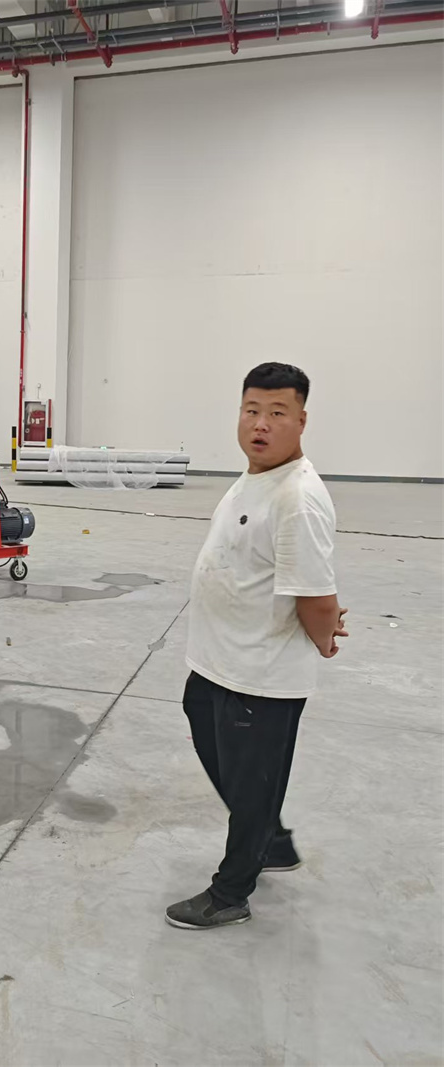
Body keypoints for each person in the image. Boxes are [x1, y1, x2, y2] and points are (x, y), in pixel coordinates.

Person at [166, 362, 348, 930]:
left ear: (301, 421)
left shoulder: (297, 498)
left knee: (250, 784)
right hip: (219, 661)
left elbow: (316, 596)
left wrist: (324, 637)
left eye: (276, 413)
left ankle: (231, 893)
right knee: (209, 731)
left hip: (260, 674)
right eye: (252, 410)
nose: (260, 424)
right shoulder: (255, 478)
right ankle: (270, 838)